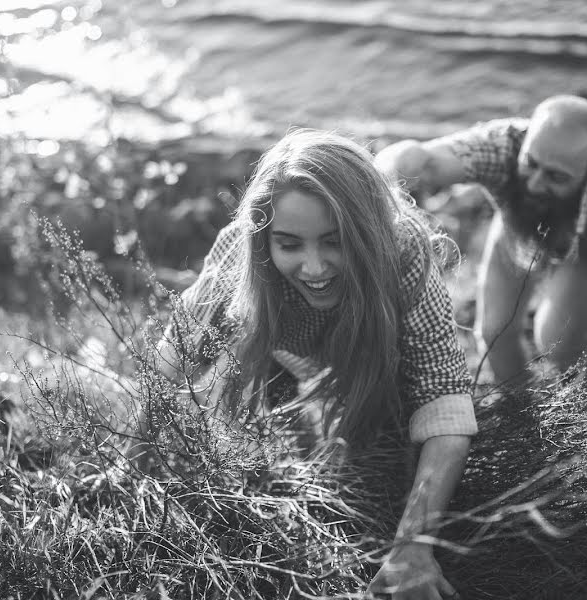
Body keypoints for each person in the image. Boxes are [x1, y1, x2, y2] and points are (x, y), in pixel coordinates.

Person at [155, 129, 477, 599]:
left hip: (367, 355)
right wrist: (133, 458)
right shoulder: (239, 249)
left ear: (369, 231)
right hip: (275, 353)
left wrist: (412, 547)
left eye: (334, 241)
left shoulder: (402, 247)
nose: (313, 267)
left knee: (374, 461)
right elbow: (176, 356)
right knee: (272, 461)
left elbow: (443, 395)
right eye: (290, 245)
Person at [375, 95, 587, 386]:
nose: (534, 184)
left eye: (556, 177)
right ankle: (521, 408)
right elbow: (426, 162)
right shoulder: (504, 144)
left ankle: (569, 399)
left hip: (581, 247)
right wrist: (400, 162)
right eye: (530, 164)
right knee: (494, 333)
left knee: (556, 340)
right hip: (515, 231)